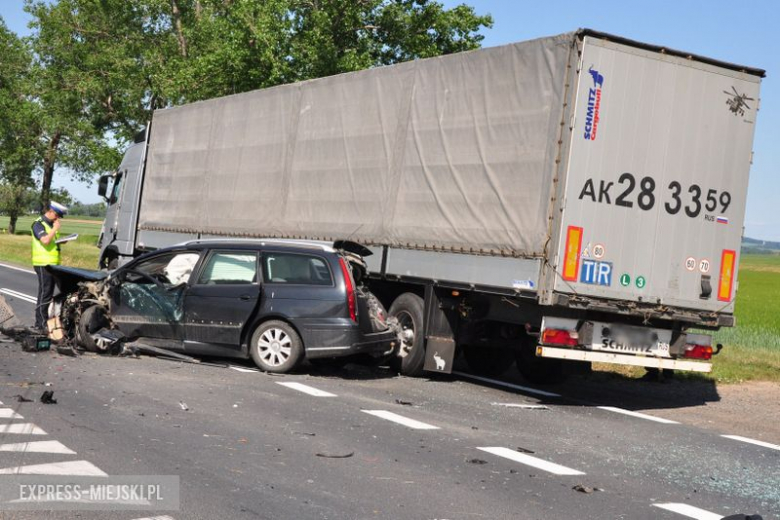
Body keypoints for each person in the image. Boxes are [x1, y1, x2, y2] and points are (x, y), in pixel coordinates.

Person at [31, 201, 68, 333]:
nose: (58, 218)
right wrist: (55, 229)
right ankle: (39, 324)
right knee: (45, 294)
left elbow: (51, 242)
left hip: (53, 264)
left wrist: (61, 240)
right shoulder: (38, 224)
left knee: (52, 293)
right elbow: (45, 241)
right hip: (43, 264)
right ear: (51, 211)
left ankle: (46, 322)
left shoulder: (51, 224)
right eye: (57, 215)